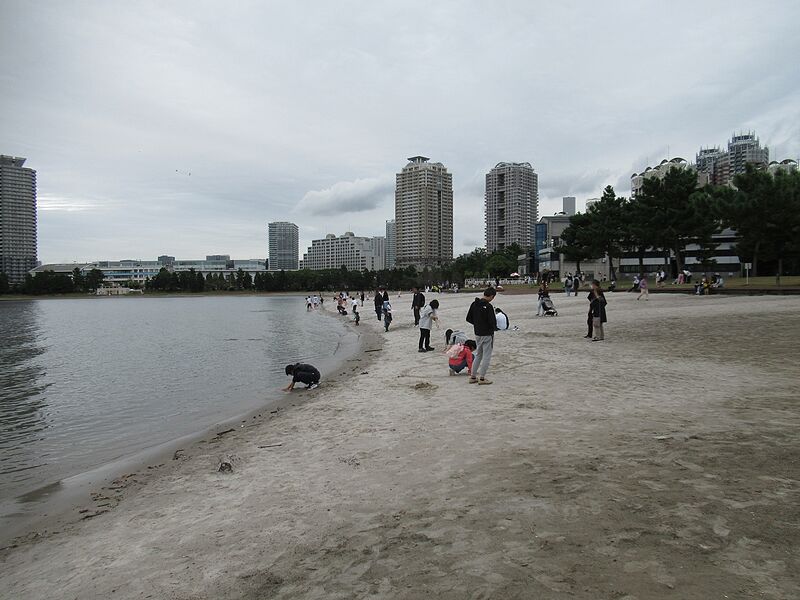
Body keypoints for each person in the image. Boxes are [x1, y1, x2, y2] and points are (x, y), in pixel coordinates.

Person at [465, 287, 497, 385]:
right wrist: (493, 328)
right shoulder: (488, 306)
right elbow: (492, 322)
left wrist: (477, 324)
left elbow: (468, 318)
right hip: (487, 334)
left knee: (479, 354)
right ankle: (482, 378)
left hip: (477, 333)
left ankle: (473, 376)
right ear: (491, 296)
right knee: (487, 355)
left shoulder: (474, 304)